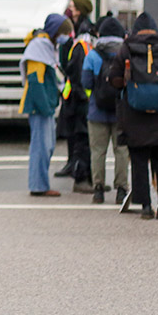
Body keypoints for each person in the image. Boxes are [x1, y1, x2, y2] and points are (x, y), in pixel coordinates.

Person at [107, 12, 158, 220]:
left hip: (135, 115)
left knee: (139, 160)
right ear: (155, 29)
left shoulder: (126, 49)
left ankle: (145, 206)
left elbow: (114, 78)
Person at [22, 13, 70, 196]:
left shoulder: (48, 46)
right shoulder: (38, 48)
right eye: (64, 33)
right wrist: (45, 106)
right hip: (39, 106)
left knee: (47, 145)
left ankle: (39, 184)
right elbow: (34, 80)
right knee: (41, 147)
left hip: (46, 105)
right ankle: (38, 186)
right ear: (56, 32)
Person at [82, 16, 129, 204]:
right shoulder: (126, 54)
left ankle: (98, 190)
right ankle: (121, 190)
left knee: (98, 151)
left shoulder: (93, 55)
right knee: (122, 151)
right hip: (122, 111)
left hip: (96, 111)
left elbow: (86, 82)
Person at [57, 18, 94, 192]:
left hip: (75, 101)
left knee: (84, 142)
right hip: (79, 103)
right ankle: (81, 179)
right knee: (83, 142)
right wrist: (85, 98)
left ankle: (88, 178)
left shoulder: (79, 46)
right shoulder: (83, 47)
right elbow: (79, 78)